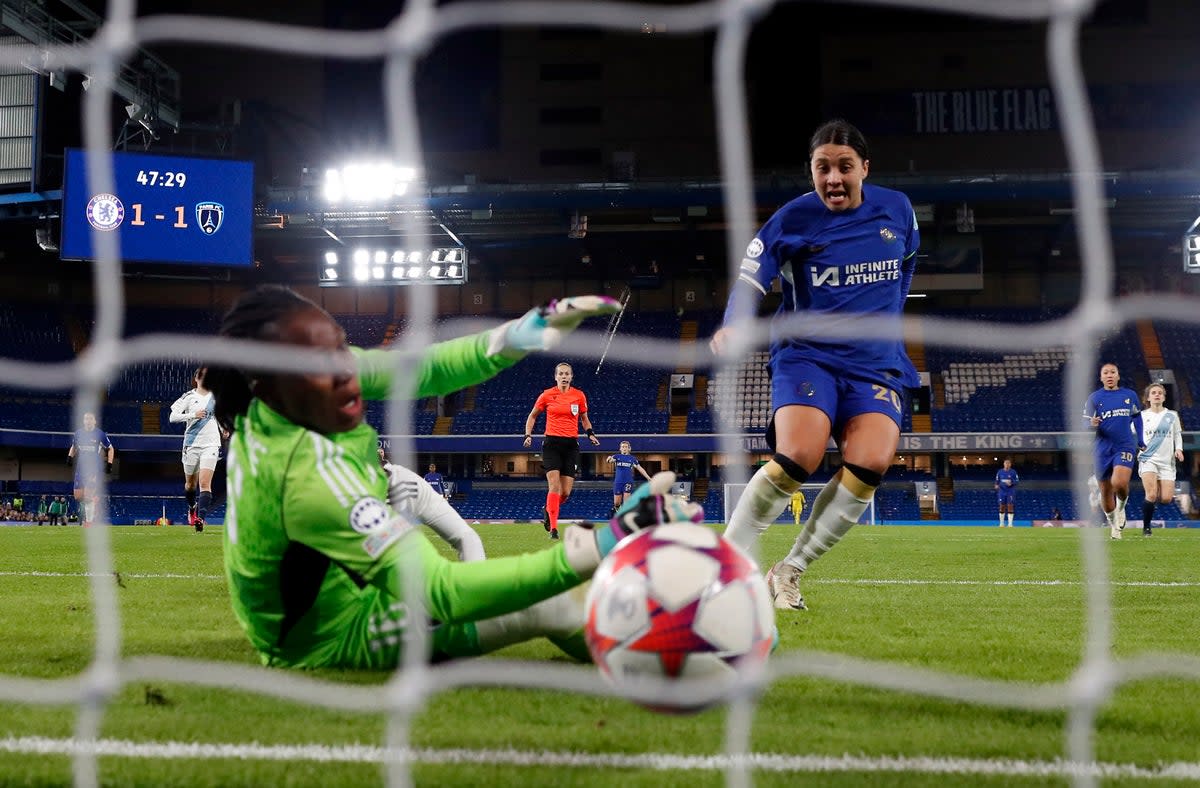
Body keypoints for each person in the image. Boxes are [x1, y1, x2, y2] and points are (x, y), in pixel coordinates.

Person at [206, 285, 701, 670]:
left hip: (340, 573)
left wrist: (521, 333)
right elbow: (442, 589)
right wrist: (607, 540)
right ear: (269, 384)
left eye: (341, 350)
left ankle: (641, 642)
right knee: (542, 605)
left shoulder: (297, 388)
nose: (347, 371)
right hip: (327, 633)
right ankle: (668, 656)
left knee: (543, 593)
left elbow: (423, 367)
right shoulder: (305, 478)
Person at [710, 119, 920, 611]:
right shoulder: (792, 219)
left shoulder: (898, 210)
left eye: (844, 167)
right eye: (822, 168)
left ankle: (790, 569)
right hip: (808, 355)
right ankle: (723, 569)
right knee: (799, 456)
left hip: (875, 363)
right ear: (811, 171)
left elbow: (907, 265)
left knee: (870, 462)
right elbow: (751, 277)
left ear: (864, 168)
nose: (833, 179)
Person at [522, 362, 601, 541]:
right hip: (551, 444)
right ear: (555, 376)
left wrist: (590, 434)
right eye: (561, 374)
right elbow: (532, 415)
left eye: (567, 374)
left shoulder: (579, 396)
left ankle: (548, 509)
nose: (564, 376)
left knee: (565, 492)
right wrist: (528, 434)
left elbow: (584, 419)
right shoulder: (547, 395)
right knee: (554, 486)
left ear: (571, 377)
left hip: (571, 446)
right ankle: (554, 530)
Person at [381, 449, 484, 562]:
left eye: (433, 467)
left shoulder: (413, 480)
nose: (432, 469)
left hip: (433, 495)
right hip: (424, 496)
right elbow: (469, 540)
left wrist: (445, 494)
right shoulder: (415, 478)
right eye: (431, 467)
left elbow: (440, 485)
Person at [1083, 362, 1143, 540]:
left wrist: (1140, 439)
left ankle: (1122, 508)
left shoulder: (1129, 395)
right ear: (1101, 377)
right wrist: (1090, 424)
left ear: (1118, 376)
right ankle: (1113, 524)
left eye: (1112, 372)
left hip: (1124, 445)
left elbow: (1137, 418)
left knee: (1119, 482)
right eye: (1105, 373)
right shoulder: (1094, 398)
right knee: (1106, 492)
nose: (1109, 375)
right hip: (1102, 448)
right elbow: (1084, 422)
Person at [169, 366, 225, 532]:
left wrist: (224, 429)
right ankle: (192, 508)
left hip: (211, 443)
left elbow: (219, 417)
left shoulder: (216, 397)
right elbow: (173, 417)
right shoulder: (188, 396)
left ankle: (200, 518)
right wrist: (192, 415)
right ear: (197, 379)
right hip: (191, 444)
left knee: (205, 483)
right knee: (190, 485)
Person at [1137, 382, 1184, 537]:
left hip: (1167, 461)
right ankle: (1146, 528)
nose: (1157, 395)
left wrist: (1178, 449)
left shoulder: (1172, 415)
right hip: (1148, 458)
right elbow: (1132, 435)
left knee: (1165, 498)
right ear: (1148, 397)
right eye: (1153, 393)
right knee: (1151, 494)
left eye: (1160, 393)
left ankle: (1150, 504)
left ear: (1164, 397)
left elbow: (1177, 434)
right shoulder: (1141, 416)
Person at [67, 411, 115, 528]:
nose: (88, 421)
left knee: (88, 496)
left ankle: (88, 522)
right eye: (86, 419)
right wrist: (70, 457)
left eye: (90, 419)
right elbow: (74, 446)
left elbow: (111, 448)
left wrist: (109, 464)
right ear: (83, 421)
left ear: (94, 421)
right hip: (80, 467)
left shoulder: (100, 434)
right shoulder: (78, 434)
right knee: (78, 496)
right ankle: (94, 499)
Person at [604, 440, 652, 518]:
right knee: (616, 503)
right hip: (618, 482)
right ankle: (617, 511)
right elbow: (610, 460)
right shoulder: (617, 457)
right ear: (620, 448)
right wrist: (608, 459)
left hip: (628, 482)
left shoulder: (632, 458)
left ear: (629, 448)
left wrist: (648, 478)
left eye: (626, 447)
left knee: (626, 503)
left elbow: (640, 469)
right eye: (623, 447)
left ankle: (624, 518)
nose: (624, 448)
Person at [994, 458, 1019, 527]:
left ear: (1010, 464)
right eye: (1006, 463)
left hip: (1010, 491)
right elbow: (997, 480)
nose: (1007, 465)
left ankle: (1010, 523)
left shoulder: (1013, 472)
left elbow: (1017, 481)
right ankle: (1001, 523)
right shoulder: (1000, 472)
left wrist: (1011, 483)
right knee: (1001, 506)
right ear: (1004, 464)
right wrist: (996, 485)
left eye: (1008, 463)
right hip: (1002, 491)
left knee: (1010, 506)